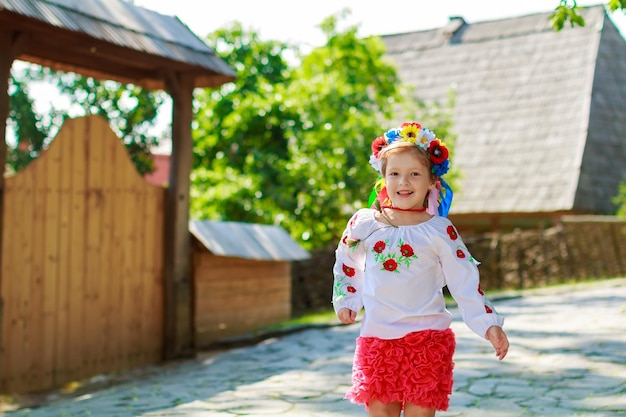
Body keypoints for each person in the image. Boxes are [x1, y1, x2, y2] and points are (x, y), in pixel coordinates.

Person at [332, 121, 509, 417]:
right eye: (395, 174)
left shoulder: (440, 231)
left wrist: (487, 323)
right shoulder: (364, 224)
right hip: (378, 339)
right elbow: (347, 261)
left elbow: (465, 280)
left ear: (431, 181)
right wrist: (348, 299)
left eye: (414, 174)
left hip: (427, 341)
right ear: (383, 179)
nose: (404, 182)